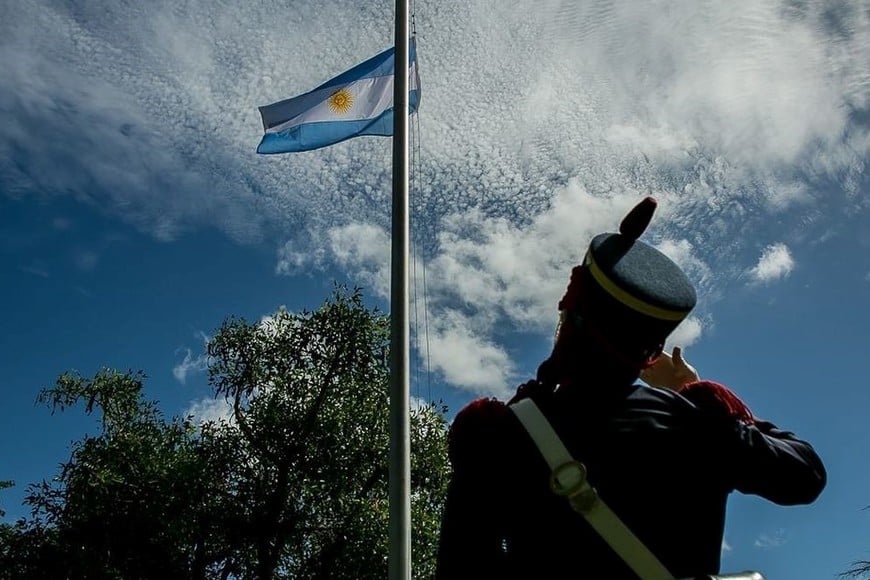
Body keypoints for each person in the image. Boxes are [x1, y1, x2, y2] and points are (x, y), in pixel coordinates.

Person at [435, 197, 826, 579]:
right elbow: (804, 474)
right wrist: (693, 389)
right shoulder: (696, 424)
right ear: (650, 351)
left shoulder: (500, 435)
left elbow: (461, 567)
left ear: (571, 317)